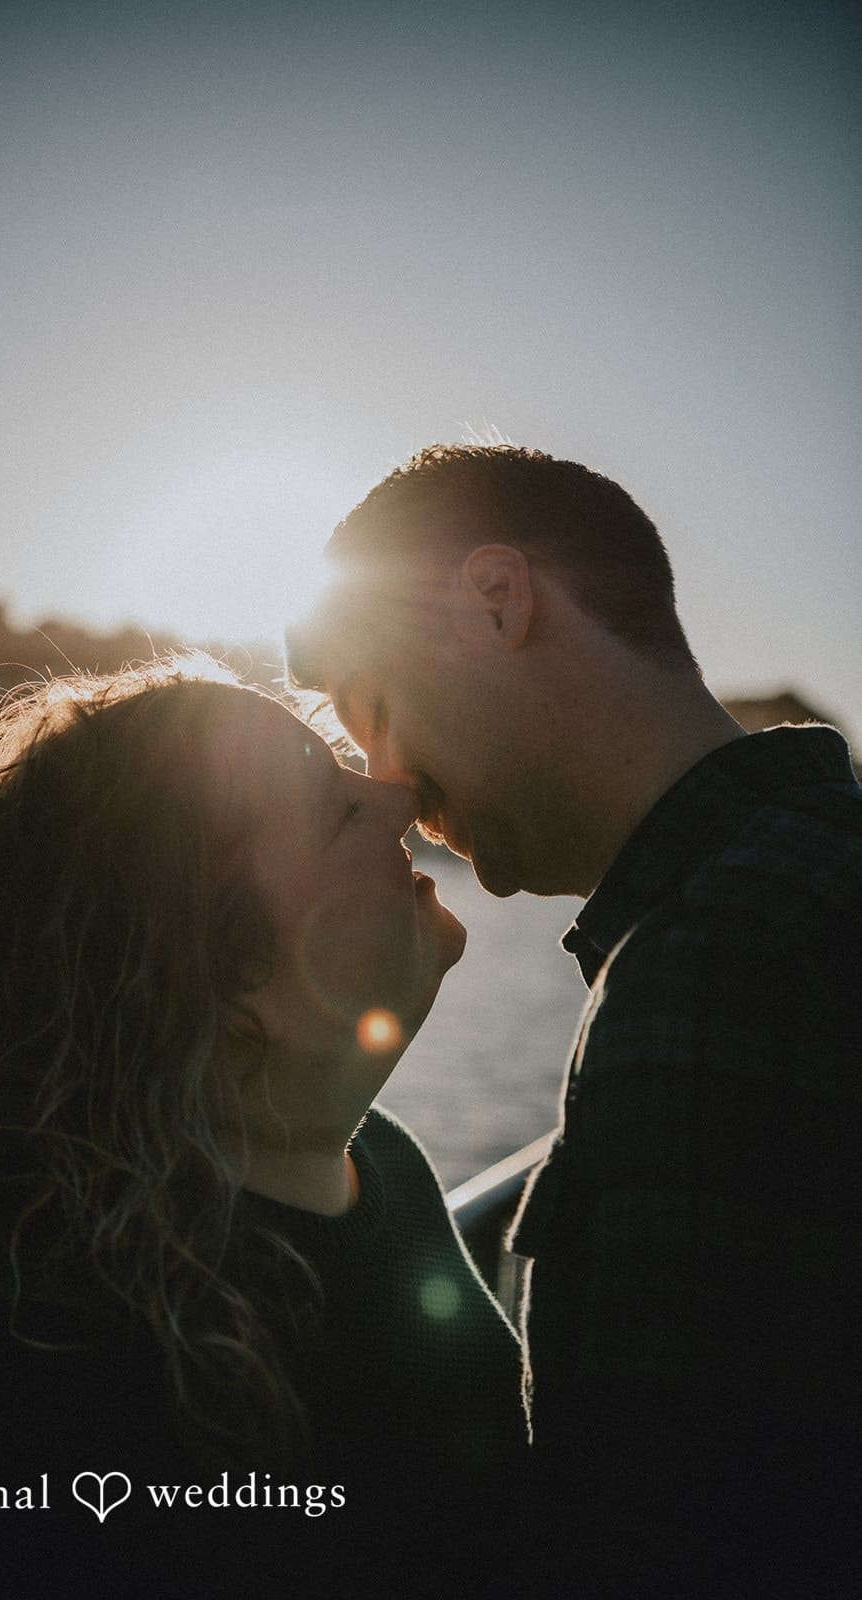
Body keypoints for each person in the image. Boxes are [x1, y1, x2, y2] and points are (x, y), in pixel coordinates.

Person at [0, 660, 527, 1598]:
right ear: (219, 982)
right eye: (334, 809)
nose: (392, 799)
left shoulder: (375, 1159)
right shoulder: (32, 1335)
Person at [286, 443, 862, 1595]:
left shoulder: (718, 953)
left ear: (497, 600)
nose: (389, 785)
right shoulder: (808, 877)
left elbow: (667, 1533)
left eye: (379, 710)